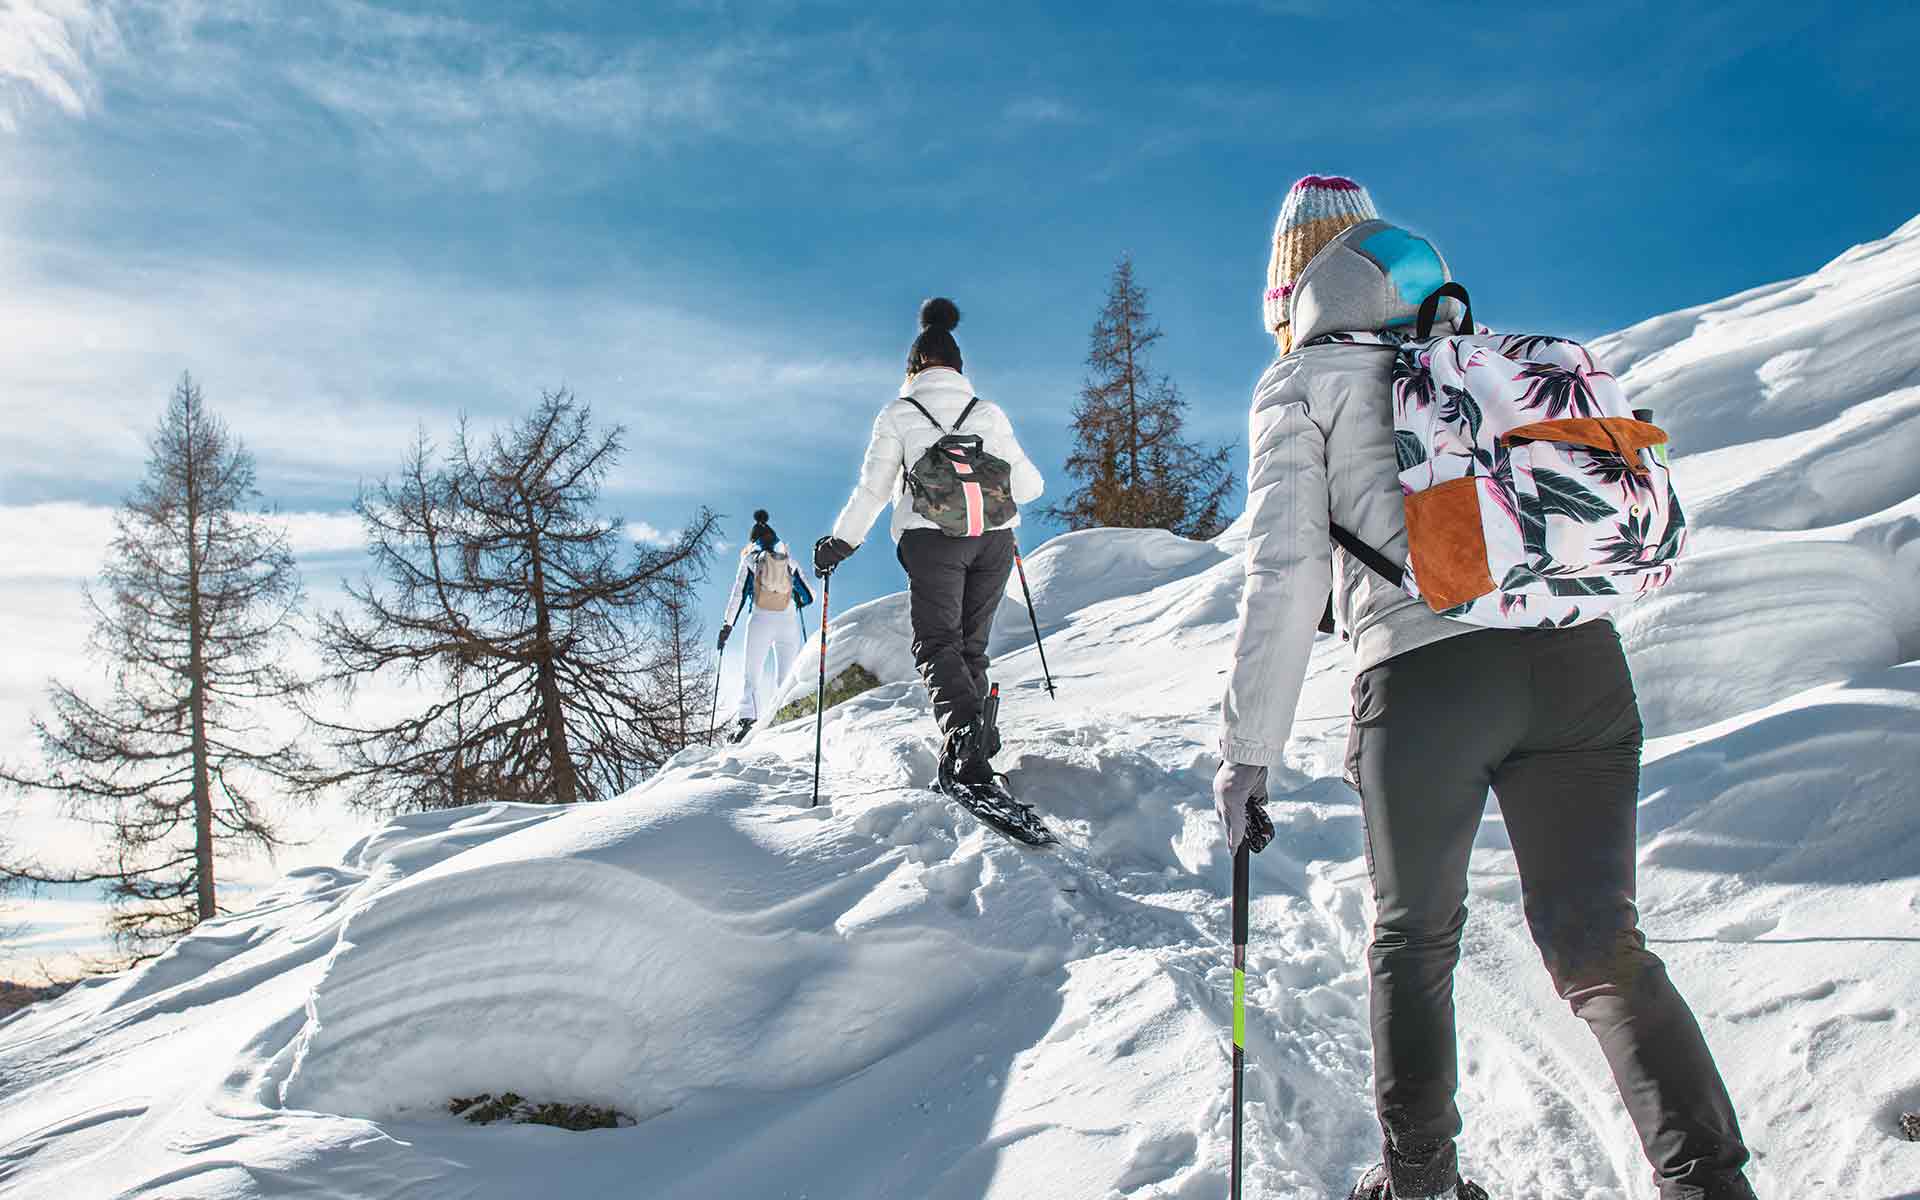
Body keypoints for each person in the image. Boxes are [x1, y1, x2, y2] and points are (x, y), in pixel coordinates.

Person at [1213, 176, 1756, 1200]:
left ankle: (1419, 1182)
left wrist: (1248, 754)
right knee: (1601, 941)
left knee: (1415, 939)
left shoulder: (1303, 383)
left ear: (1291, 286)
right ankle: (1709, 1183)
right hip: (1580, 668)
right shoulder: (1483, 358)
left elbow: (1283, 577)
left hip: (1426, 686)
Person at [813, 297, 1044, 787]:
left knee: (938, 643)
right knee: (971, 648)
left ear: (913, 367)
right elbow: (1030, 487)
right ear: (959, 367)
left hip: (932, 540)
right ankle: (976, 741)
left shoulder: (899, 413)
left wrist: (841, 542)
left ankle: (963, 735)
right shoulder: (988, 412)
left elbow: (873, 489)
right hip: (994, 542)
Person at [718, 510, 813, 744]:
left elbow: (737, 595)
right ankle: (788, 718)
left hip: (761, 620)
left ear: (753, 540)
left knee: (751, 674)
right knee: (787, 673)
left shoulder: (750, 559)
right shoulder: (788, 561)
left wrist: (727, 626)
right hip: (788, 621)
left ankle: (747, 721)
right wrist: (796, 599)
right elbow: (809, 596)